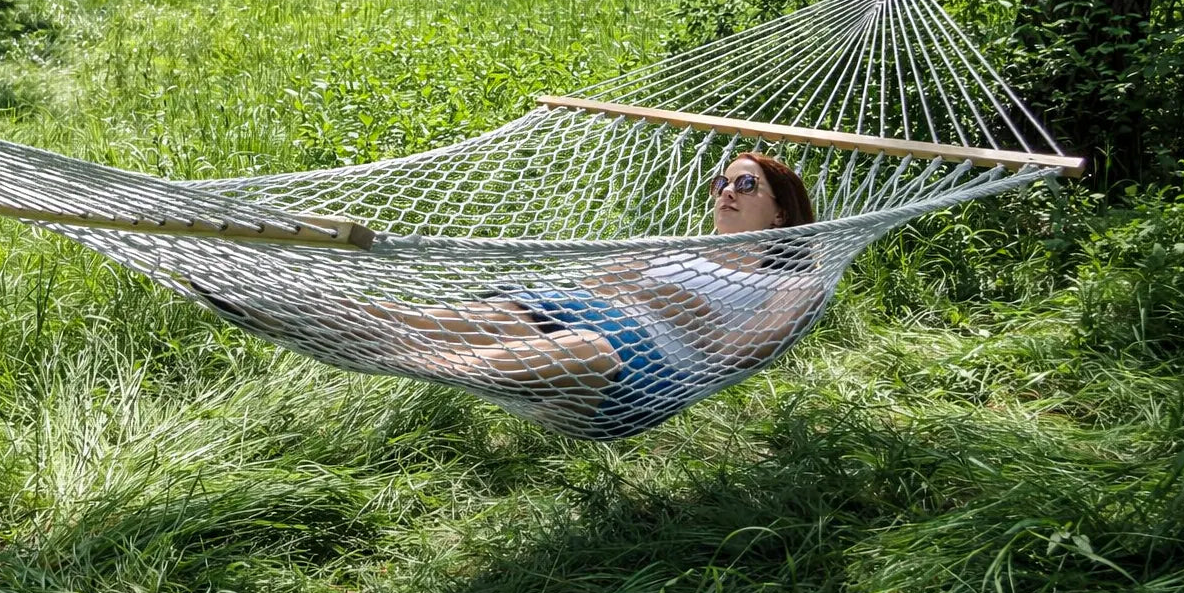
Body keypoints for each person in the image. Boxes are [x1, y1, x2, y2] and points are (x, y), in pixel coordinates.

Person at [201, 151, 824, 439]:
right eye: (721, 181)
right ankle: (263, 297)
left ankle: (387, 357)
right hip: (576, 310)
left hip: (645, 373)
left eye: (745, 183)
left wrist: (682, 308)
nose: (725, 191)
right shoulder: (676, 246)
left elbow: (739, 354)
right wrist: (633, 280)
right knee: (416, 316)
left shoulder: (796, 281)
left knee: (583, 347)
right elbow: (594, 284)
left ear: (779, 213)